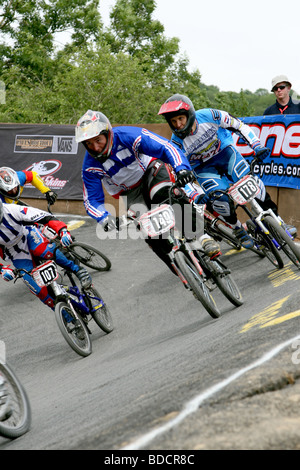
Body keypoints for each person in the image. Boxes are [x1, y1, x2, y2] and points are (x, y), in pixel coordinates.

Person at [75, 109, 221, 269]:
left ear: (108, 133)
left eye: (98, 140)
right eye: (88, 143)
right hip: (130, 192)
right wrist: (103, 218)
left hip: (151, 171)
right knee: (149, 232)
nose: (95, 147)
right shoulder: (89, 166)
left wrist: (181, 168)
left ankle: (201, 237)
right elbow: (91, 200)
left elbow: (166, 147)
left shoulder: (129, 136)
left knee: (167, 194)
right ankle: (183, 271)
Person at [158, 94, 297, 248]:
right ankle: (237, 228)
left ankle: (279, 222)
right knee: (220, 200)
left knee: (253, 186)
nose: (178, 124)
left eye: (181, 119)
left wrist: (256, 145)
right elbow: (180, 174)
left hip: (226, 154)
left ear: (189, 114)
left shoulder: (211, 115)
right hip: (204, 169)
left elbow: (239, 126)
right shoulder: (175, 143)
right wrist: (195, 194)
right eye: (173, 121)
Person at [0, 201, 91, 310]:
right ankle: (67, 318)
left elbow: (45, 217)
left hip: (28, 236)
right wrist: (2, 270)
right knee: (38, 290)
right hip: (15, 253)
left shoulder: (12, 210)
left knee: (45, 251)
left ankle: (78, 270)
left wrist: (63, 231)